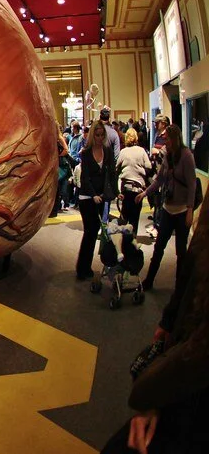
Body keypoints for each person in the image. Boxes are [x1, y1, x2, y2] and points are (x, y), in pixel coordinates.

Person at [100, 233, 209, 453]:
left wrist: (152, 392)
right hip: (182, 359)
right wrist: (168, 321)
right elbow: (189, 276)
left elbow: (199, 352)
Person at [136, 125, 197, 290]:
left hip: (182, 209)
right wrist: (144, 193)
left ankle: (180, 286)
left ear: (175, 139)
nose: (166, 142)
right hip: (168, 209)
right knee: (158, 248)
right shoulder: (168, 156)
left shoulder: (186, 156)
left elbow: (192, 185)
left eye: (168, 139)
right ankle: (149, 280)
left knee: (180, 251)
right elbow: (159, 180)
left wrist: (190, 210)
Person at [76, 121, 118, 280]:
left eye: (102, 135)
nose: (100, 138)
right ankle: (82, 268)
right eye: (97, 135)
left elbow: (112, 173)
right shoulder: (86, 153)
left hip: (101, 198)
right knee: (89, 232)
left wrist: (116, 192)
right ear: (93, 135)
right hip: (87, 198)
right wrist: (93, 194)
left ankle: (86, 267)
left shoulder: (107, 151)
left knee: (94, 233)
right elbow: (85, 177)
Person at [117, 128, 153, 236]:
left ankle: (122, 241)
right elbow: (149, 166)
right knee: (135, 217)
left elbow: (116, 168)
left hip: (126, 188)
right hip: (138, 189)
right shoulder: (141, 151)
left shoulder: (123, 152)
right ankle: (132, 241)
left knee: (124, 215)